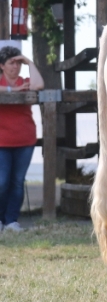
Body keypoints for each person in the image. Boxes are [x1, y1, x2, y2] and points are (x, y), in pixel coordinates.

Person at [0, 45, 44, 233]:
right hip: (2, 141)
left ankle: (11, 221)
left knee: (18, 181)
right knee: (2, 181)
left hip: (25, 140)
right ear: (2, 66)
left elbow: (39, 85)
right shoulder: (5, 83)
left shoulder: (25, 81)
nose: (15, 67)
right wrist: (13, 89)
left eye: (18, 63)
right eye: (11, 63)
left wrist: (29, 62)